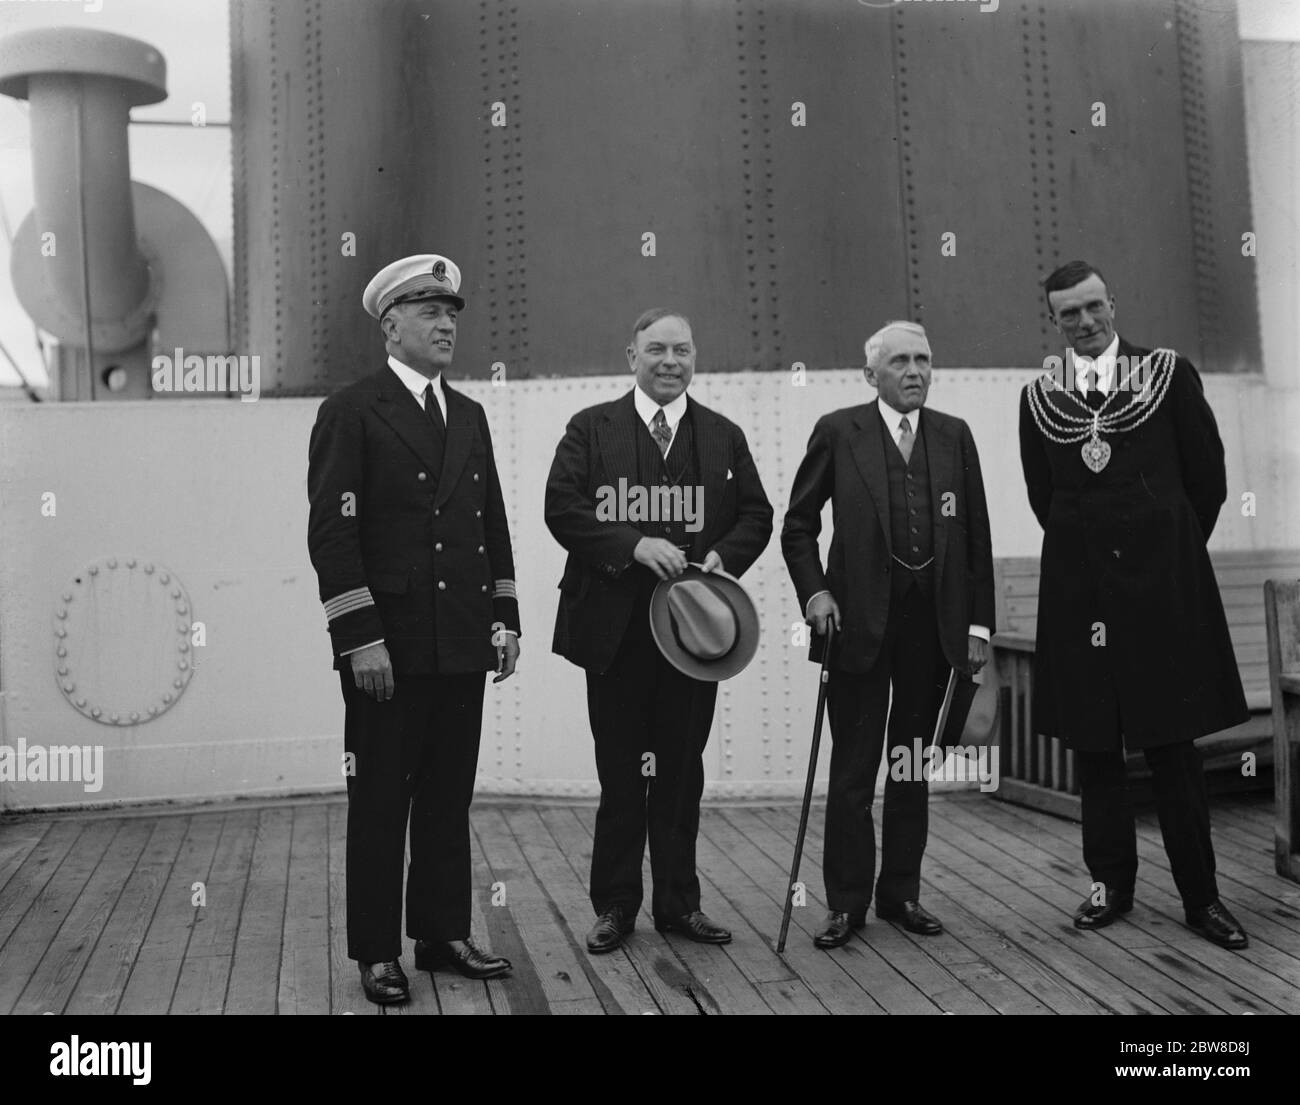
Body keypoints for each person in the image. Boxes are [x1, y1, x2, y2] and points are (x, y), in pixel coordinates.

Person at [307, 253, 521, 1004]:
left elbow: (489, 521)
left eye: (452, 313)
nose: (444, 325)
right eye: (429, 312)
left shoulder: (469, 415)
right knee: (379, 803)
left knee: (446, 797)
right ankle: (375, 950)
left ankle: (440, 932)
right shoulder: (352, 410)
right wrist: (360, 637)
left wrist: (505, 616)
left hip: (461, 640)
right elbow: (334, 538)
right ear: (390, 324)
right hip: (387, 648)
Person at [1019, 260, 1250, 950]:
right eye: (1069, 314)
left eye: (1094, 307)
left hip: (1161, 595)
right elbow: (1045, 499)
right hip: (1080, 596)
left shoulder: (1168, 376)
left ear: (1113, 303)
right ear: (1054, 321)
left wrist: (1162, 560)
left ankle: (1202, 898)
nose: (1085, 323)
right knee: (1096, 748)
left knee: (1173, 748)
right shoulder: (1040, 397)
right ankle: (1108, 888)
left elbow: (1205, 482)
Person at [544, 308, 773, 954]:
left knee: (680, 772)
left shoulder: (724, 436)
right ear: (631, 356)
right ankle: (617, 904)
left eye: (682, 350)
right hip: (614, 636)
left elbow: (758, 514)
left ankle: (679, 904)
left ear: (694, 357)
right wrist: (635, 543)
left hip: (694, 636)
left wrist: (725, 556)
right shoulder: (591, 429)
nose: (670, 360)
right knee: (622, 775)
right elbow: (560, 506)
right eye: (657, 350)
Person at [782, 321, 994, 949]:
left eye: (923, 359)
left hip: (932, 630)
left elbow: (977, 536)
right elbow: (797, 526)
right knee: (853, 772)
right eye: (900, 361)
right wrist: (817, 594)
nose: (915, 371)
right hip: (858, 628)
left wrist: (977, 625)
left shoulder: (954, 436)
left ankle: (901, 895)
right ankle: (846, 905)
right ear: (870, 373)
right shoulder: (838, 431)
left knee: (910, 766)